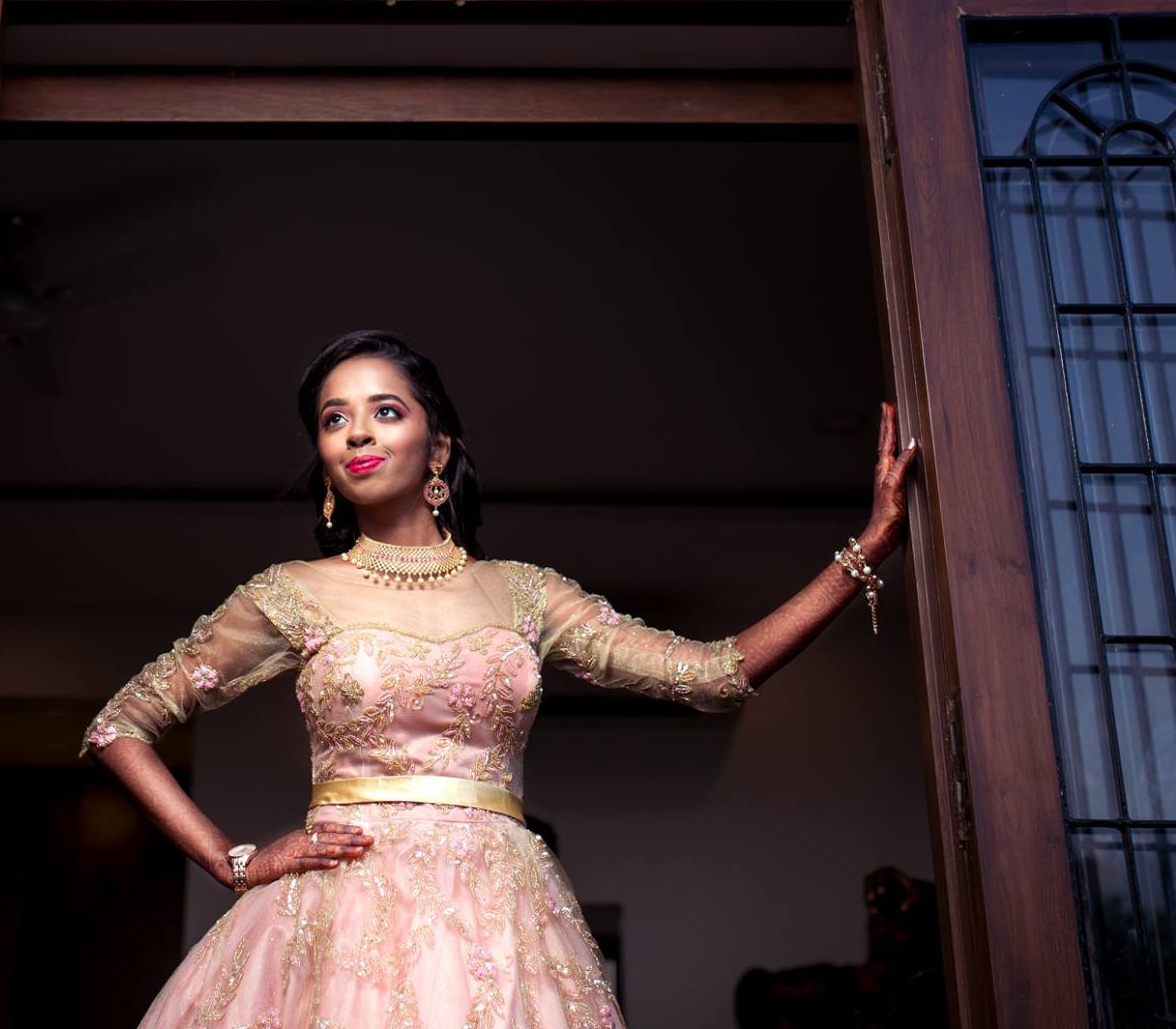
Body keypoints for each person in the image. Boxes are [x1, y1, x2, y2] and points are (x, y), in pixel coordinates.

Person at [83, 329, 921, 1027]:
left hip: (499, 923)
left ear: (438, 443)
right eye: (334, 419)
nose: (357, 434)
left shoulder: (524, 592)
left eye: (385, 410)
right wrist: (235, 862)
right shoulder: (290, 593)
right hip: (333, 920)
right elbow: (119, 724)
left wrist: (867, 551)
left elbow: (712, 673)